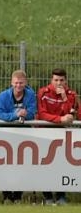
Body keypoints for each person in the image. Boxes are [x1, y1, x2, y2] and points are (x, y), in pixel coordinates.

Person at [36, 68, 78, 205]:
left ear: (66, 81)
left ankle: (61, 196)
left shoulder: (71, 95)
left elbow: (71, 114)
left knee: (62, 165)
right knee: (44, 165)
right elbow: (42, 114)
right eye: (56, 80)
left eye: (61, 80)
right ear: (51, 80)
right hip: (44, 132)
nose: (59, 83)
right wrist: (60, 119)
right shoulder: (43, 92)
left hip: (62, 134)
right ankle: (47, 197)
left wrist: (64, 98)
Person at [0, 69, 36, 204]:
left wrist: (25, 114)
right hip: (5, 135)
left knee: (21, 166)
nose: (18, 86)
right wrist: (15, 115)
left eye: (21, 83)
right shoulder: (3, 96)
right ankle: (6, 196)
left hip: (24, 135)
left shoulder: (30, 95)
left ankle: (18, 196)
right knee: (4, 166)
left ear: (26, 83)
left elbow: (32, 113)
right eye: (16, 83)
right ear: (11, 83)